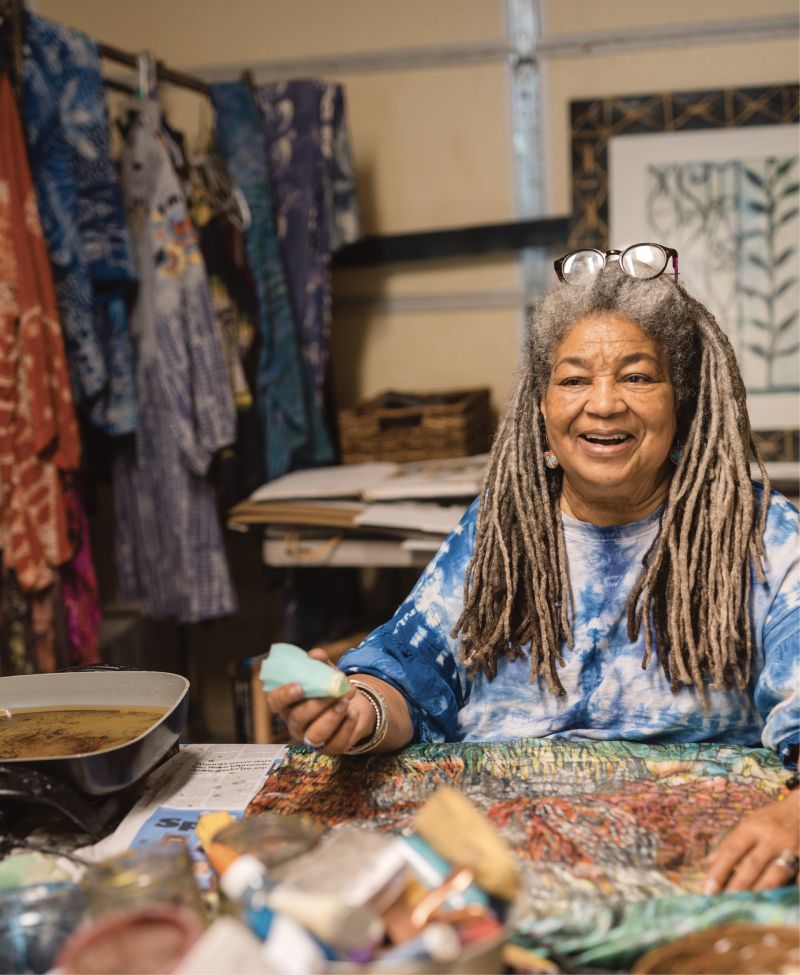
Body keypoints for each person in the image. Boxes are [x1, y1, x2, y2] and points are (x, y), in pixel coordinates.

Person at [266, 242, 799, 895]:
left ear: (680, 402)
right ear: (542, 411)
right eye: (574, 378)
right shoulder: (501, 530)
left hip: (702, 868)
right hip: (498, 870)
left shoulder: (762, 538)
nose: (603, 403)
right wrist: (356, 710)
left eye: (637, 376)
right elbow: (413, 675)